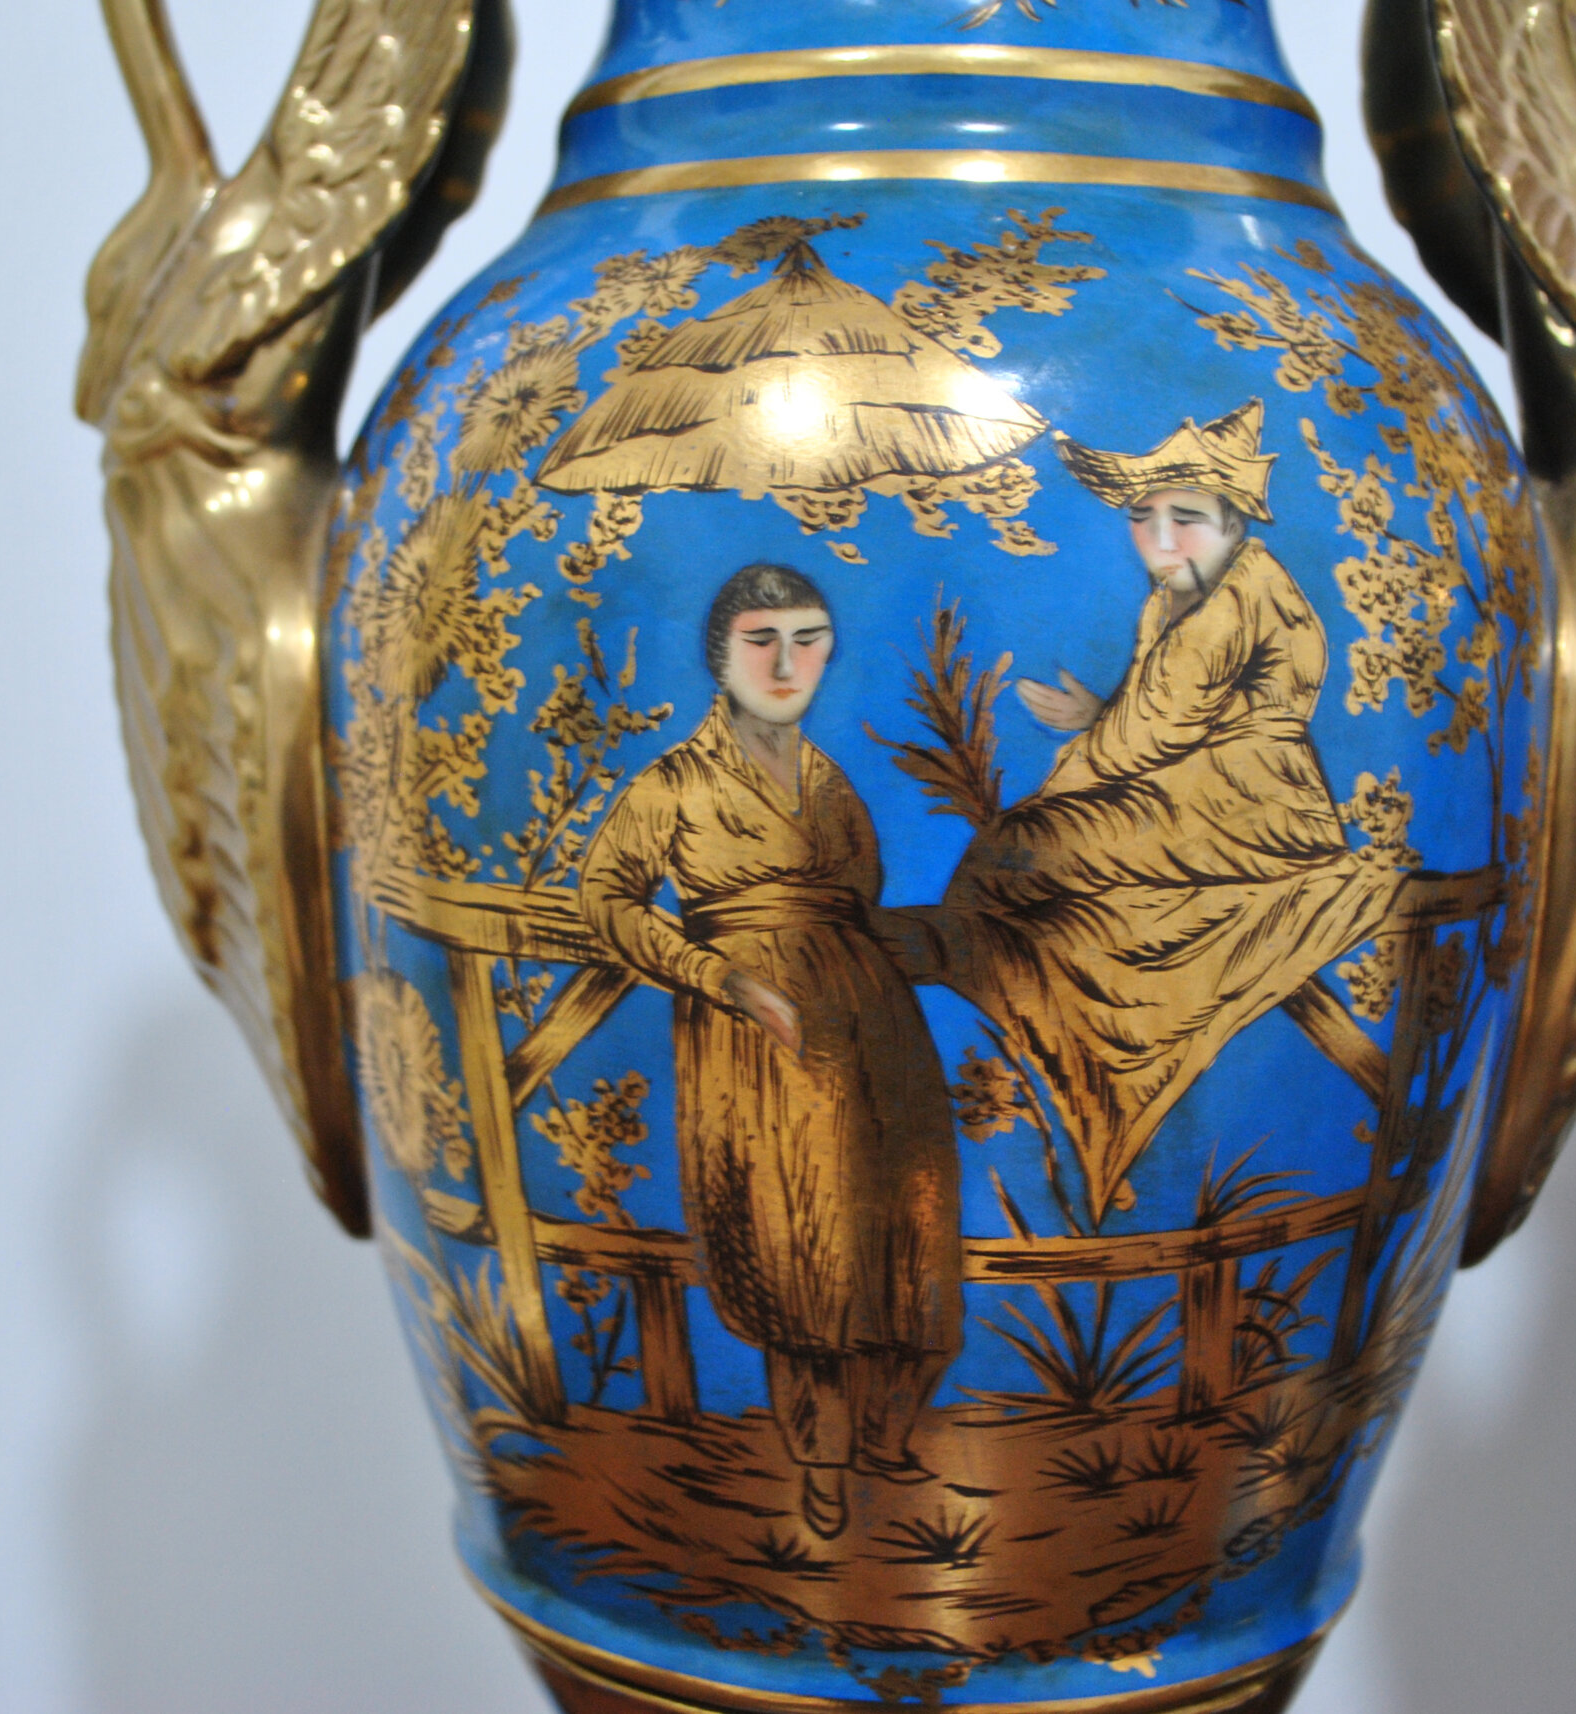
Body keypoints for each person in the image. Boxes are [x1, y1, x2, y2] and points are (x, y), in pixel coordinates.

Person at [892, 402, 1401, 1226]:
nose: (1160, 538)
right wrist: (1097, 723)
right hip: (1194, 789)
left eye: (1185, 518)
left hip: (1252, 805)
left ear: (1233, 521)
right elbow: (1155, 720)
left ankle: (1078, 1040)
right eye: (1143, 516)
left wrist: (1076, 769)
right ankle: (1043, 1020)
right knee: (1022, 855)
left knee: (1026, 850)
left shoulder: (1241, 597)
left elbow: (1153, 731)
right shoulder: (1179, 597)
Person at [578, 564, 963, 1540]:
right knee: (798, 1249)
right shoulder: (674, 784)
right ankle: (820, 1458)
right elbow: (607, 898)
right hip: (758, 1040)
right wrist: (715, 976)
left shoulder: (830, 783)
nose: (786, 664)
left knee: (908, 1234)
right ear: (720, 655)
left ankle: (884, 1432)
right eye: (762, 641)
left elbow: (859, 911)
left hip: (875, 1029)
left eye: (808, 640)